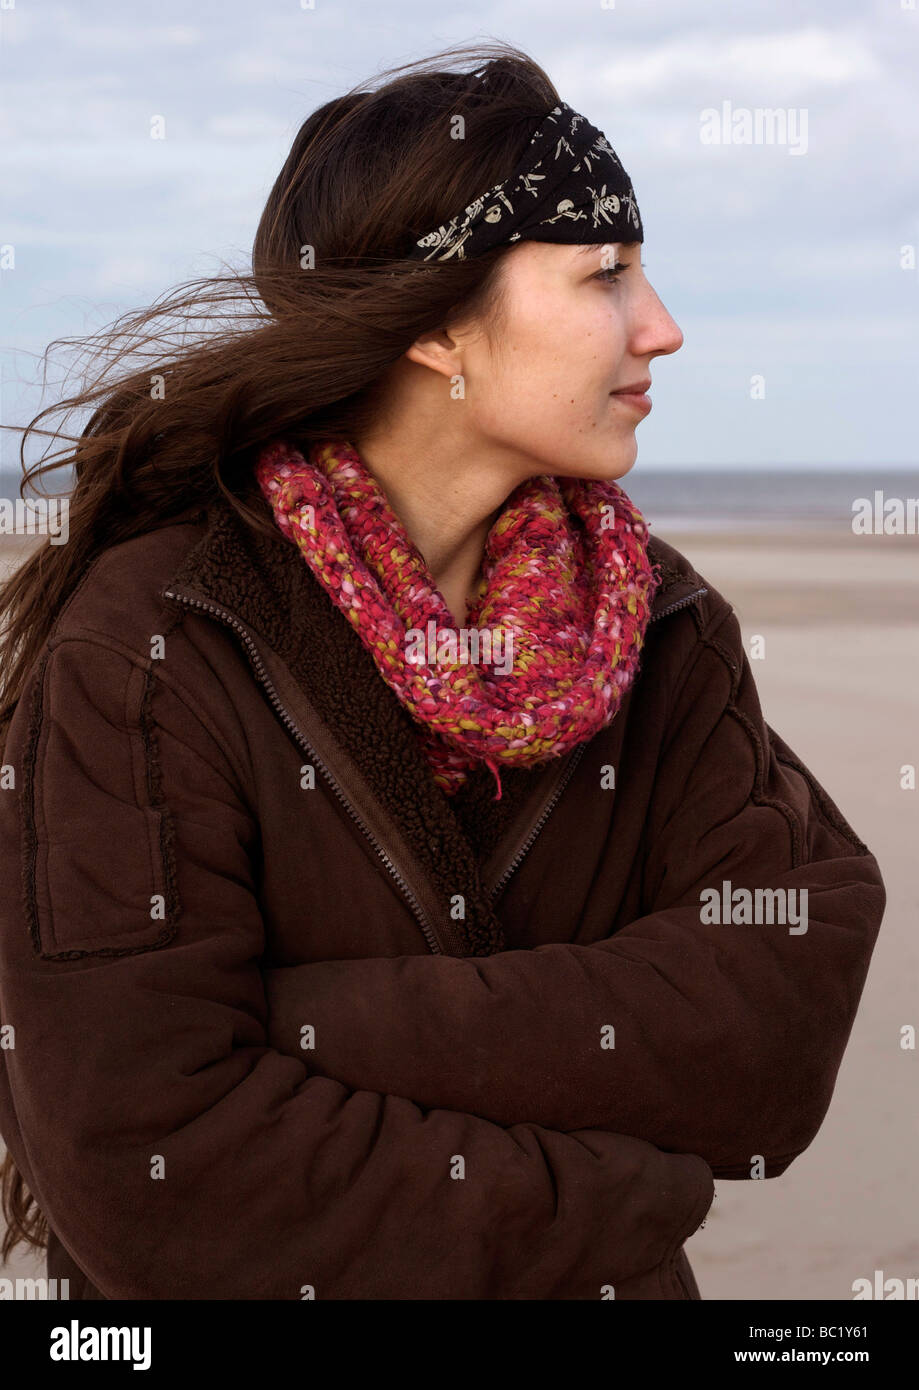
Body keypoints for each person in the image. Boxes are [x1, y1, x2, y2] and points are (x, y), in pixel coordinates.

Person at [0, 42, 885, 1300]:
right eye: (605, 275)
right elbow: (147, 1165)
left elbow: (781, 1012)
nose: (664, 327)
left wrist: (309, 1024)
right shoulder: (157, 639)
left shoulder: (656, 619)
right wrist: (612, 1200)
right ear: (436, 326)